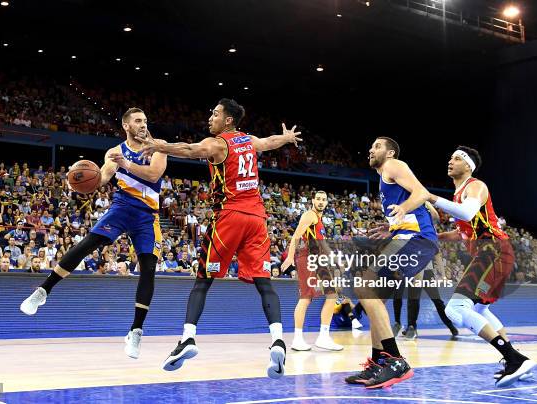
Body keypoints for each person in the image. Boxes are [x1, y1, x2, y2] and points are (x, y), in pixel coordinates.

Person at [143, 98, 301, 379]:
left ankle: (187, 338)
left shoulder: (218, 143)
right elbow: (269, 142)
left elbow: (191, 150)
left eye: (215, 114)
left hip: (229, 217)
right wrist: (287, 138)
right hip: (257, 219)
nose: (210, 117)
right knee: (265, 284)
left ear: (228, 120)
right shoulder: (249, 141)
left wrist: (159, 146)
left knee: (202, 282)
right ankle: (278, 340)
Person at [20, 107, 167, 360]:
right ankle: (43, 291)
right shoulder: (115, 152)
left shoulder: (159, 146)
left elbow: (154, 174)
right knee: (88, 243)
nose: (143, 125)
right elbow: (102, 178)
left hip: (147, 215)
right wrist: (79, 181)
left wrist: (127, 165)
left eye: (145, 120)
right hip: (122, 207)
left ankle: (136, 331)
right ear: (126, 126)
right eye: (138, 121)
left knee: (148, 268)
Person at [428, 146, 535, 387]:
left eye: (456, 158)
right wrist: (434, 236)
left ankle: (514, 359)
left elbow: (466, 214)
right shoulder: (458, 194)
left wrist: (430, 197)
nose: (450, 160)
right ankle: (515, 362)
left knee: (455, 309)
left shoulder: (475, 185)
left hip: (492, 251)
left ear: (468, 166)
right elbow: (462, 232)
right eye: (450, 157)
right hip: (496, 253)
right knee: (479, 311)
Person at [346, 137, 439, 388]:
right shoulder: (385, 176)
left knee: (364, 287)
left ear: (390, 153)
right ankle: (378, 363)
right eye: (371, 145)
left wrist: (404, 209)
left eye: (376, 146)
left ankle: (396, 361)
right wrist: (390, 226)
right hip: (404, 237)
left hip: (417, 239)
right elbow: (416, 207)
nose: (370, 149)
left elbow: (421, 193)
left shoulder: (393, 165)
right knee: (374, 296)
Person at [281, 190, 344, 351]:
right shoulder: (310, 215)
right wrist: (289, 257)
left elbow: (324, 245)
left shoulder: (320, 220)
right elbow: (296, 236)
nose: (321, 202)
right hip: (307, 258)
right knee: (306, 298)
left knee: (332, 294)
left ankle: (323, 337)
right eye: (318, 199)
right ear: (313, 200)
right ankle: (297, 339)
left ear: (327, 203)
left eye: (324, 199)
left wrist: (336, 260)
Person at [391, 202, 458, 340]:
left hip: (426, 272)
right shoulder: (407, 227)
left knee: (437, 301)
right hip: (409, 267)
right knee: (404, 294)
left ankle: (450, 326)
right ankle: (409, 326)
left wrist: (443, 275)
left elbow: (437, 254)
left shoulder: (428, 231)